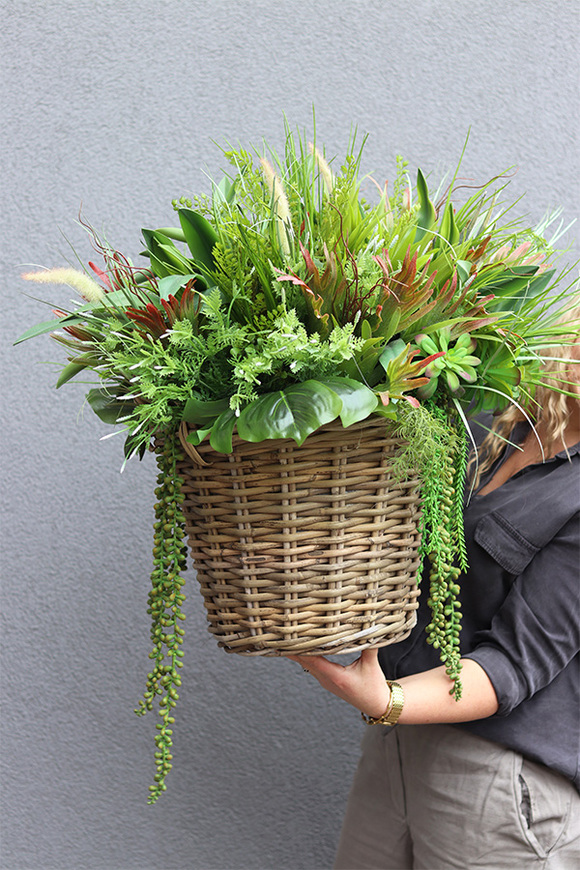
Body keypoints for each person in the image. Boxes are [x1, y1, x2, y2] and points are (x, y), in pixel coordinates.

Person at [288, 325, 580, 869]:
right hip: (395, 748)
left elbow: (514, 663)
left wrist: (385, 700)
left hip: (498, 777)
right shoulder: (495, 417)